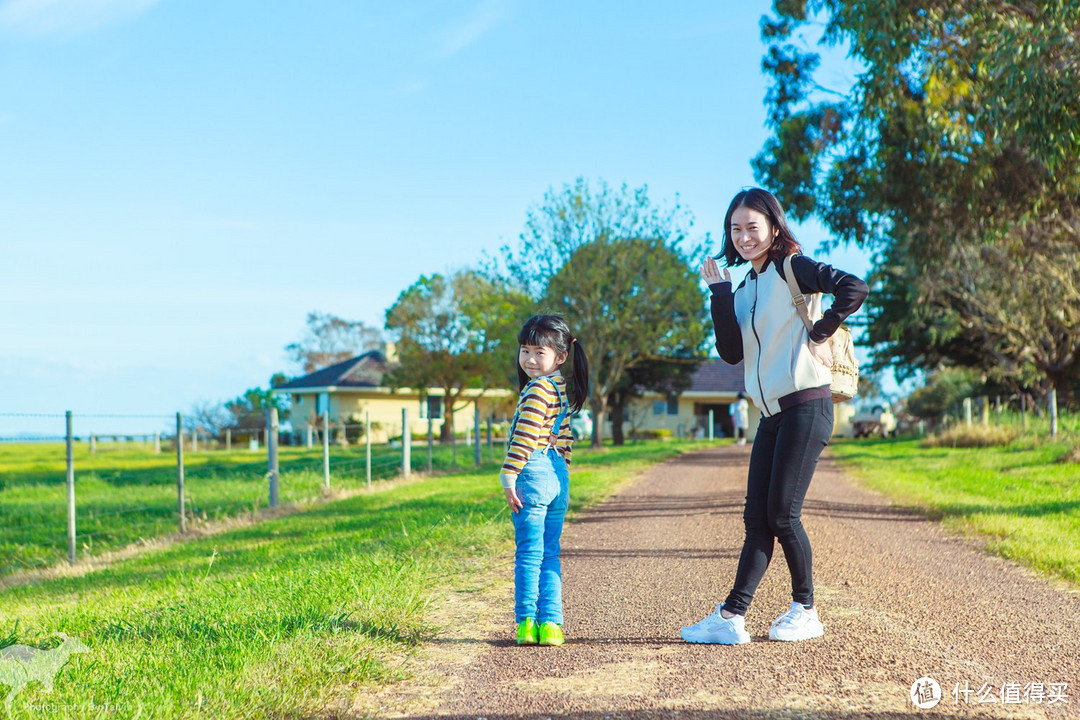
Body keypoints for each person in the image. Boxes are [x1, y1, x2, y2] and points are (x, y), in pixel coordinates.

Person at [682, 188, 868, 645]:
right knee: (757, 519)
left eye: (752, 227)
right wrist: (719, 293)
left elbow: (854, 286)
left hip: (807, 404)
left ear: (773, 227)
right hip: (770, 415)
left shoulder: (793, 267)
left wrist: (821, 330)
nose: (744, 236)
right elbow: (729, 353)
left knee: (783, 514)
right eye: (735, 228)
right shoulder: (743, 286)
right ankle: (731, 618)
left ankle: (806, 609)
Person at [500, 314, 589, 647]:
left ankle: (526, 624)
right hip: (557, 477)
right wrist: (560, 474)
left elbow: (524, 435)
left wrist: (509, 475)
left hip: (533, 472)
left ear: (560, 356)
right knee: (549, 553)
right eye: (525, 351)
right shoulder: (561, 388)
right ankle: (551, 626)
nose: (530, 359)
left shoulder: (537, 388)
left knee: (528, 554)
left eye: (539, 352)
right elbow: (563, 439)